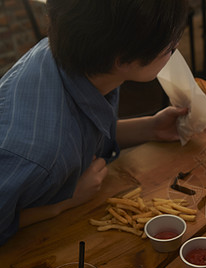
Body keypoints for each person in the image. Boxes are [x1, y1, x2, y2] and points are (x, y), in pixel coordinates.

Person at [0, 0, 190, 245]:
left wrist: (150, 128)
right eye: (169, 45)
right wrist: (67, 201)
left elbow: (81, 133)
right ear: (122, 60)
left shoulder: (81, 60)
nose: (175, 46)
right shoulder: (37, 153)